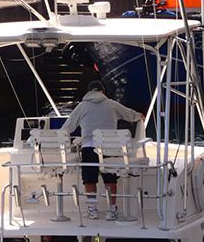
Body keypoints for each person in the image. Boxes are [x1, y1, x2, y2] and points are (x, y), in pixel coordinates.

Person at [61, 80, 144, 221]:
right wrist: (139, 116)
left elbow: (67, 128)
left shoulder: (81, 107)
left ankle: (92, 210)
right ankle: (111, 210)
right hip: (109, 149)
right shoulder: (112, 104)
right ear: (103, 91)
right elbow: (129, 114)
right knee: (110, 178)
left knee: (89, 179)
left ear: (88, 92)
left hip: (89, 148)